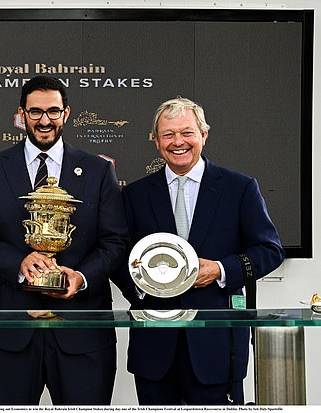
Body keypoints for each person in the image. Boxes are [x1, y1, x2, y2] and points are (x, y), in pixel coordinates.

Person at [0, 75, 129, 405]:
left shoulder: (97, 171)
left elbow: (115, 242)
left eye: (53, 111)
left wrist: (80, 278)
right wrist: (18, 264)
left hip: (81, 329)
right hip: (6, 330)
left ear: (66, 114)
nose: (44, 121)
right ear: (21, 114)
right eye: (35, 112)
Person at [119, 97, 285, 405]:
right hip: (155, 349)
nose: (177, 142)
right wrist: (142, 291)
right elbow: (118, 257)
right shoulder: (135, 195)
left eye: (187, 132)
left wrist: (220, 271)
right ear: (156, 141)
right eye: (168, 134)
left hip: (218, 348)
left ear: (204, 135)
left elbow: (270, 250)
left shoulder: (240, 188)